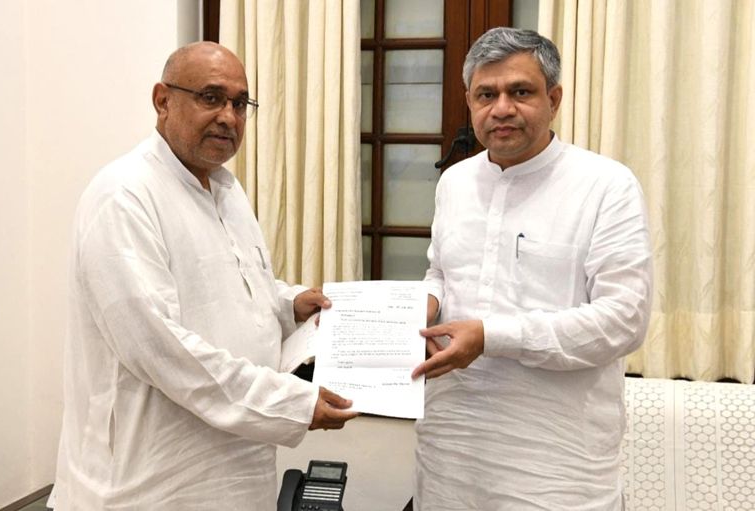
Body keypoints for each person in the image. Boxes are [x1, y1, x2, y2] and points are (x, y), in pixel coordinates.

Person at [47, 42, 358, 511]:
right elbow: (160, 348)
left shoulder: (226, 189)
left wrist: (288, 305)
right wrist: (290, 404)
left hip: (238, 472)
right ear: (162, 100)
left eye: (240, 103)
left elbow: (233, 293)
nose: (228, 117)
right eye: (211, 98)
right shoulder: (124, 196)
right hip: (151, 486)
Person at [411, 28, 652, 510]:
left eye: (520, 92)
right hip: (449, 448)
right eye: (486, 95)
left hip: (559, 464)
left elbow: (624, 319)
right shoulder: (455, 182)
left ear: (553, 99)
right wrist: (421, 306)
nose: (502, 108)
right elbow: (441, 271)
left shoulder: (606, 185)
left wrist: (491, 336)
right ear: (469, 102)